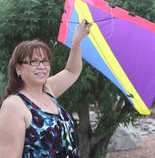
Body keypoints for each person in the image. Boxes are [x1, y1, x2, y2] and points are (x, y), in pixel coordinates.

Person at [0, 19, 92, 158]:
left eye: (45, 61)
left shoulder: (48, 90)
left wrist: (76, 42)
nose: (41, 66)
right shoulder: (14, 106)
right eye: (34, 61)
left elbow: (72, 71)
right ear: (18, 69)